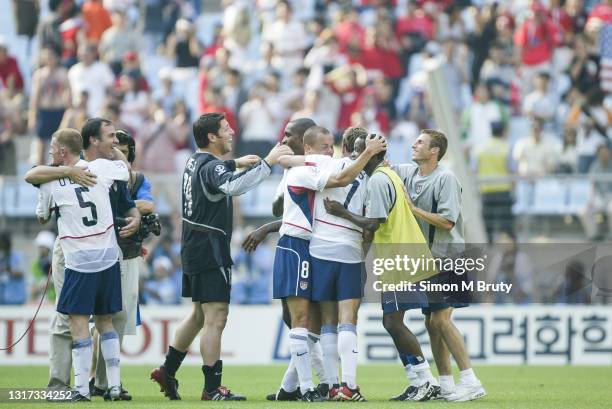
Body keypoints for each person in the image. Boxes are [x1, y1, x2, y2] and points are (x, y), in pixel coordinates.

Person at [150, 112, 292, 401]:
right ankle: (212, 389)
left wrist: (235, 162)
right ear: (212, 137)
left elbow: (214, 171)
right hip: (210, 248)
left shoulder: (193, 160)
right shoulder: (212, 168)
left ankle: (168, 369)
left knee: (199, 315)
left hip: (193, 246)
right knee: (217, 316)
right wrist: (269, 161)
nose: (232, 133)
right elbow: (232, 185)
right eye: (226, 129)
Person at [25, 118, 141, 399]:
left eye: (53, 148)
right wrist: (113, 152)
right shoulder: (102, 169)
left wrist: (60, 174)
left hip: (78, 259)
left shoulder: (48, 181)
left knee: (77, 322)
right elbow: (126, 169)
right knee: (105, 322)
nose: (50, 153)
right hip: (108, 257)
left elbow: (42, 218)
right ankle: (113, 386)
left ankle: (80, 390)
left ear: (63, 151)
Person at [272, 126, 387, 402]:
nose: (329, 150)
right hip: (346, 250)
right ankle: (347, 385)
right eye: (324, 145)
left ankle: (331, 386)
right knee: (347, 320)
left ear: (344, 147)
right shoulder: (376, 180)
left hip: (318, 249)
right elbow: (371, 226)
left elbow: (287, 161)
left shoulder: (324, 164)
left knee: (325, 322)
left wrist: (287, 158)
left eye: (331, 145)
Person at [323, 134, 440, 402]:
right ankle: (417, 380)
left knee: (393, 322)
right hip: (404, 255)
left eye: (360, 152)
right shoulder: (389, 175)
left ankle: (426, 380)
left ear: (372, 155)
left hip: (401, 258)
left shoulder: (377, 180)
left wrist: (341, 213)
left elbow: (374, 224)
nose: (356, 157)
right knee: (392, 322)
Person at [391, 129, 486, 402]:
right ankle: (445, 384)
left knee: (441, 320)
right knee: (431, 323)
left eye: (420, 142)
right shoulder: (409, 173)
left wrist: (413, 209)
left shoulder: (446, 178)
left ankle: (470, 380)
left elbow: (447, 222)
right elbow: (383, 166)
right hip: (426, 261)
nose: (413, 144)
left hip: (448, 257)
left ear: (434, 151)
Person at [89, 129, 157, 397]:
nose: (119, 157)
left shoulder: (137, 178)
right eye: (115, 149)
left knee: (117, 319)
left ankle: (103, 380)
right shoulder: (96, 172)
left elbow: (148, 205)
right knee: (103, 318)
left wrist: (122, 206)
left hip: (127, 253)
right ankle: (97, 379)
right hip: (100, 251)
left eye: (125, 153)